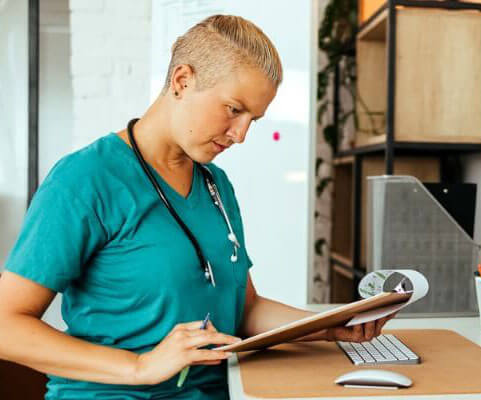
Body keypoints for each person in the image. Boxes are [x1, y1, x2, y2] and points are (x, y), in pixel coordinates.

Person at [0, 15, 394, 400]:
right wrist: (140, 367)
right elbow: (6, 326)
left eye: (253, 119)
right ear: (182, 81)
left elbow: (245, 310)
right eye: (233, 109)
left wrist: (330, 325)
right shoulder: (85, 179)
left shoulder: (215, 184)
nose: (240, 135)